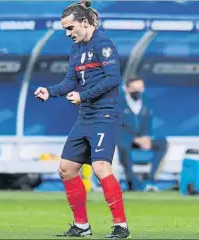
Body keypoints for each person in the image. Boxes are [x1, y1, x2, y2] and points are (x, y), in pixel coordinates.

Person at [34, 0, 130, 238]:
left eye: (70, 28)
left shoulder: (104, 44)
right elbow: (70, 81)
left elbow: (113, 79)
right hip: (85, 117)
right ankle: (82, 226)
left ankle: (121, 226)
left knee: (100, 167)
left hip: (104, 115)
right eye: (65, 29)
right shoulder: (76, 49)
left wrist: (83, 95)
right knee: (66, 169)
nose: (68, 34)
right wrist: (51, 91)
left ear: (84, 23)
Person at [118, 76, 168, 192]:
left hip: (141, 138)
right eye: (135, 88)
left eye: (140, 88)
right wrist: (135, 139)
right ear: (126, 88)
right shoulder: (118, 103)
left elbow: (148, 122)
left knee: (163, 143)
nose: (138, 91)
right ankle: (133, 183)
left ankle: (151, 181)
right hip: (124, 139)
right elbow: (117, 126)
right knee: (123, 146)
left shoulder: (146, 101)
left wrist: (146, 137)